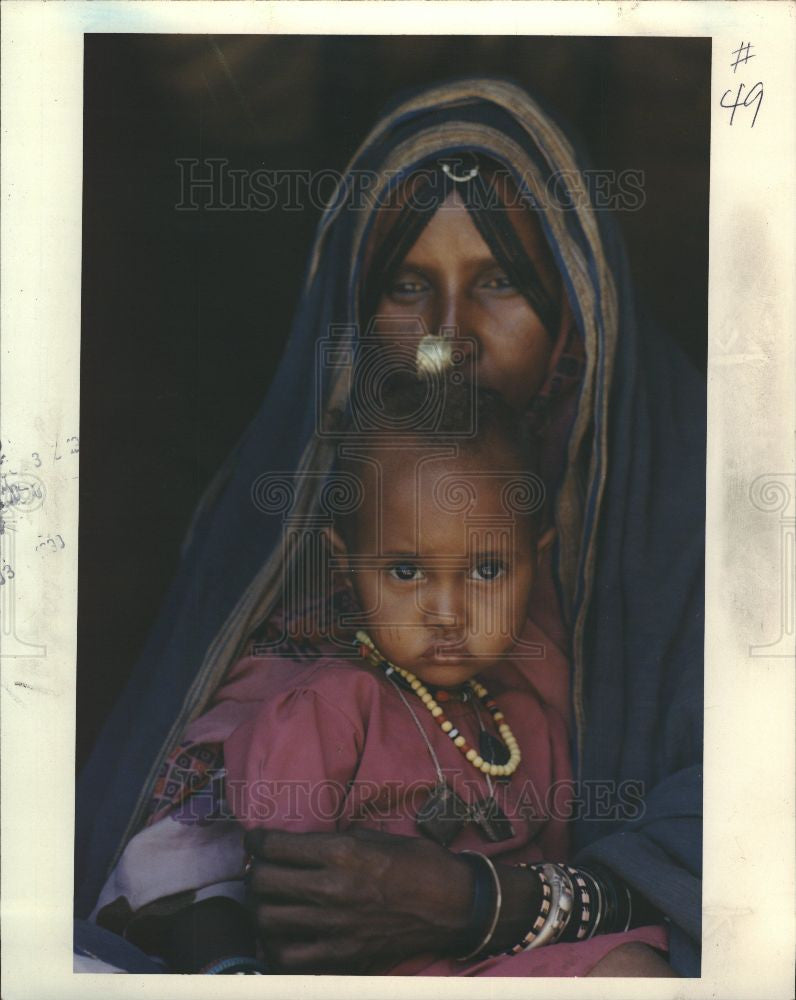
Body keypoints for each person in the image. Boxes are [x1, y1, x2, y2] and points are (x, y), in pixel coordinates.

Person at [75, 77, 704, 977]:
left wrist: (483, 904)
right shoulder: (283, 532)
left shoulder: (694, 506)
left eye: (499, 283)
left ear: (576, 311)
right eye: (410, 286)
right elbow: (183, 848)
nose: (449, 338)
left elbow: (753, 816)